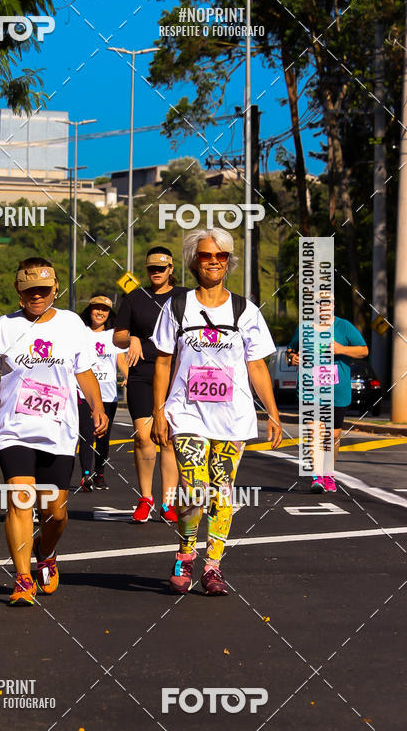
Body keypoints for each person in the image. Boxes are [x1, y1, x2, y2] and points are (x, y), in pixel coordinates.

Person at [0, 258, 108, 606]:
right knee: (20, 501)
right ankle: (23, 578)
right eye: (29, 292)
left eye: (43, 291)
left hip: (59, 431)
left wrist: (97, 407)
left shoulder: (71, 325)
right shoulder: (3, 327)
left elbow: (84, 372)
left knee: (55, 513)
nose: (36, 297)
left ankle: (46, 550)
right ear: (18, 292)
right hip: (15, 430)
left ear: (55, 289)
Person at [151, 228, 282, 595]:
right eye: (207, 255)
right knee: (194, 490)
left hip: (233, 416)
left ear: (228, 262)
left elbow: (257, 366)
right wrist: (159, 412)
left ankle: (212, 567)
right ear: (194, 261)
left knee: (221, 492)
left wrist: (272, 412)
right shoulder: (177, 306)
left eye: (221, 256)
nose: (214, 261)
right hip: (187, 412)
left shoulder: (245, 310)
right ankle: (186, 553)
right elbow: (163, 362)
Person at [114, 247, 186, 523]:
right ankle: (145, 498)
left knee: (167, 439)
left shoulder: (184, 297)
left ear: (171, 269)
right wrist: (130, 340)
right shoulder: (135, 297)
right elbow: (118, 336)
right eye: (151, 269)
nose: (156, 272)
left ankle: (168, 502)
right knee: (143, 436)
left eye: (161, 268)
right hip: (142, 372)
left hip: (174, 372)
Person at [287, 294, 368, 494]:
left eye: (327, 302)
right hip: (309, 390)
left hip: (336, 391)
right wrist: (292, 358)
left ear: (333, 304)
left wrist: (342, 349)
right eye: (318, 303)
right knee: (315, 433)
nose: (323, 306)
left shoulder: (344, 327)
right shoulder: (304, 329)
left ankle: (328, 473)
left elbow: (364, 351)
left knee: (332, 437)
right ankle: (317, 478)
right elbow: (290, 350)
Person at [78, 295, 128, 491]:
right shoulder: (80, 332)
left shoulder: (113, 335)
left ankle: (100, 473)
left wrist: (128, 375)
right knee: (87, 433)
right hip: (84, 392)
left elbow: (121, 360)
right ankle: (86, 475)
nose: (100, 312)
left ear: (109, 314)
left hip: (107, 393)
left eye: (104, 310)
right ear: (89, 310)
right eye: (96, 308)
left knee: (103, 436)